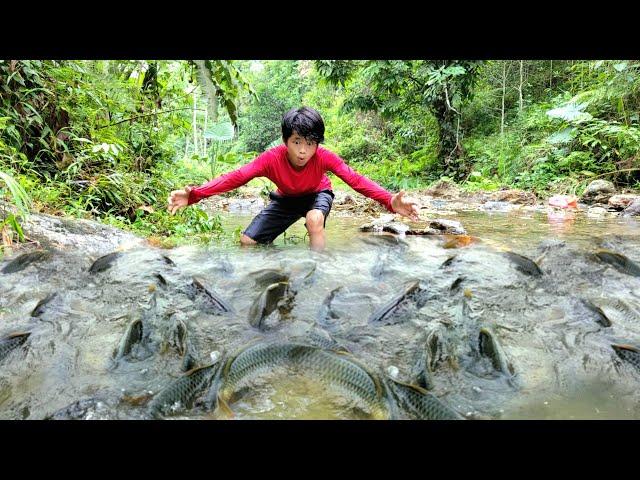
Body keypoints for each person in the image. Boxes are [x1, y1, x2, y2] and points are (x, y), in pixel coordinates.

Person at [167, 106, 419, 251]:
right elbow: (236, 177)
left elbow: (355, 179)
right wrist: (196, 194)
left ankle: (316, 267)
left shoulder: (324, 157)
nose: (302, 151)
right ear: (285, 140)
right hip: (286, 199)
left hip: (316, 195)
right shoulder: (271, 159)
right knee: (247, 242)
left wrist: (389, 200)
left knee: (314, 218)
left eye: (310, 143)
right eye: (296, 142)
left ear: (317, 143)